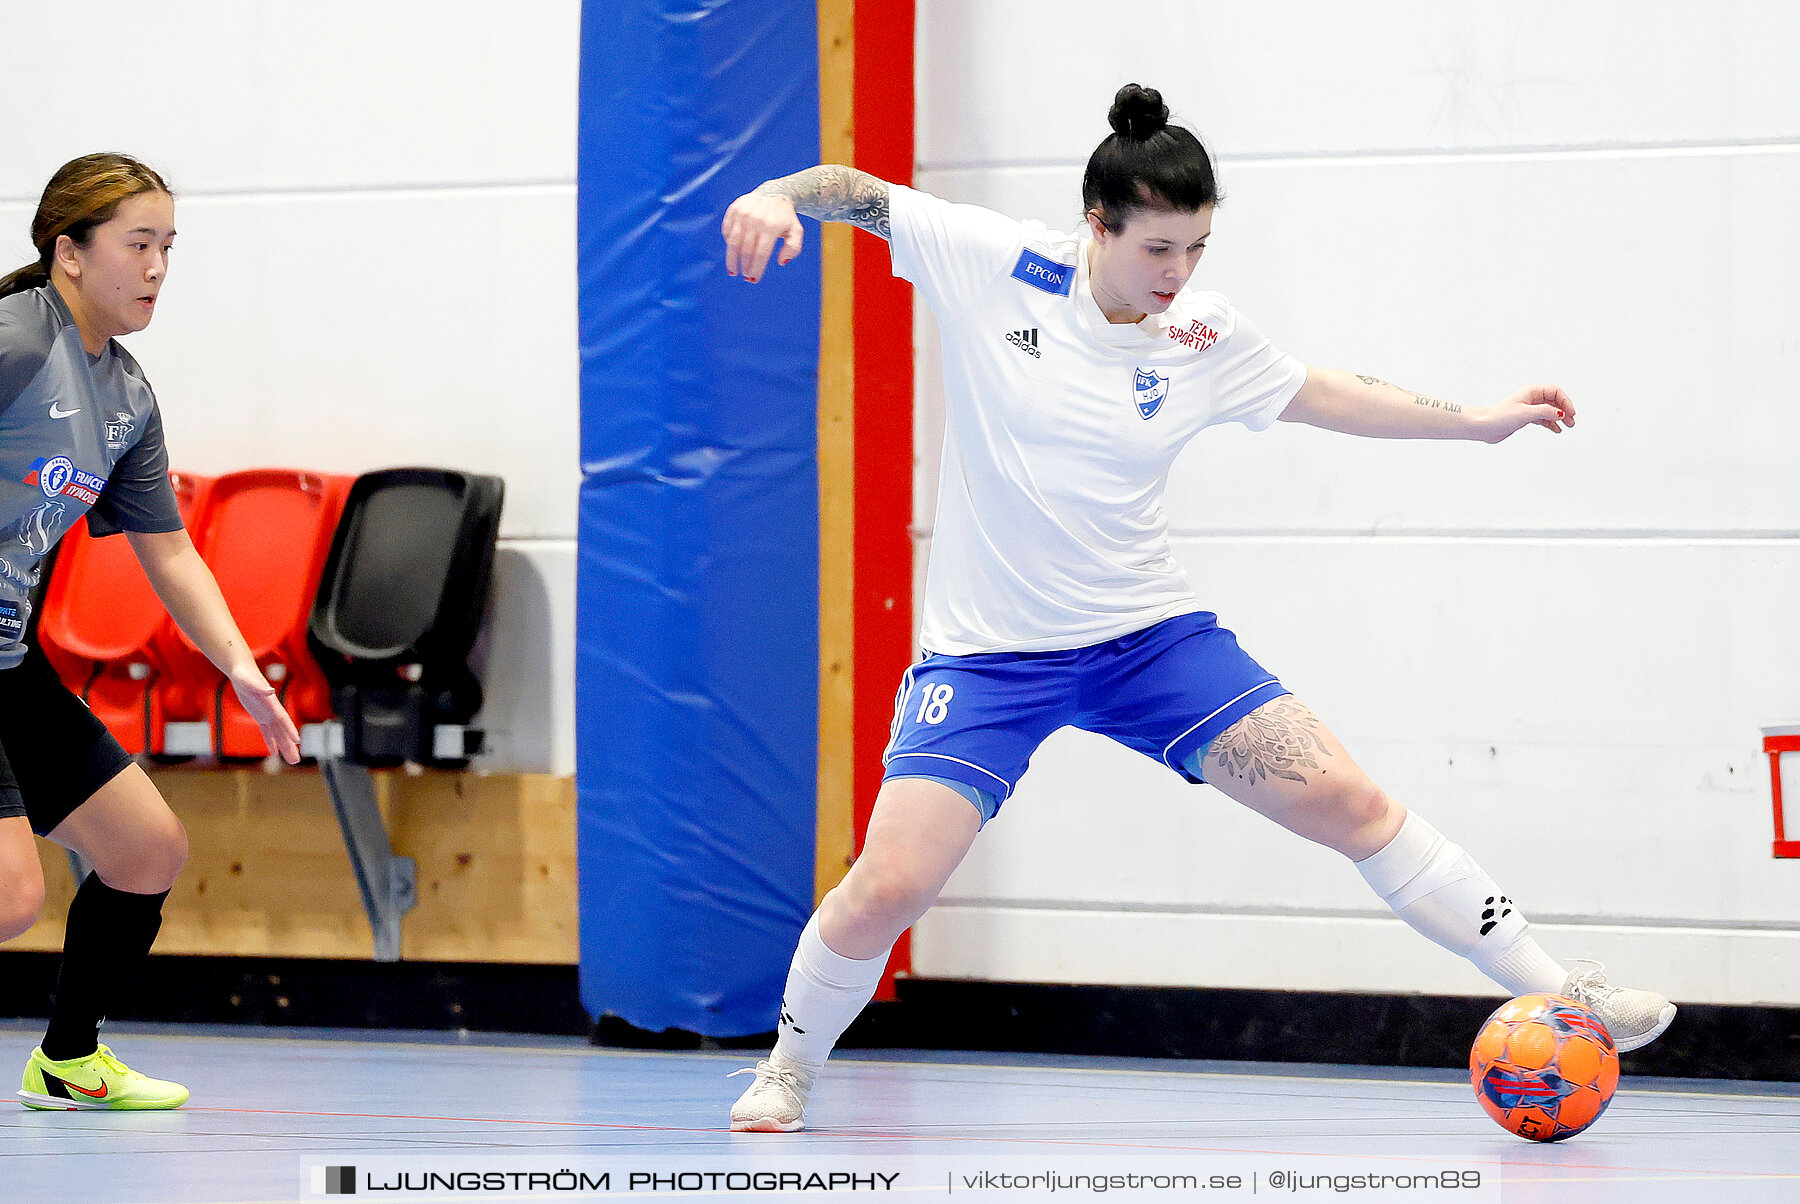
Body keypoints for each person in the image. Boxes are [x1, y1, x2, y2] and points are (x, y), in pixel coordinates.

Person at [717, 85, 1674, 1133]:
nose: (1178, 276)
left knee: (1351, 802)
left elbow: (1321, 389)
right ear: (1098, 228)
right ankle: (789, 1064)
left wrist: (1474, 420)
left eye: (1198, 248)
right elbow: (855, 191)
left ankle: (1560, 988)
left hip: (1148, 642)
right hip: (991, 657)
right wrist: (775, 192)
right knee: (889, 886)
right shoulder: (996, 263)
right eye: (1159, 249)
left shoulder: (1204, 334)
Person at [0, 153, 301, 1110]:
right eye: (137, 244)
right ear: (69, 253)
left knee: (144, 852)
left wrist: (242, 670)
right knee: (12, 897)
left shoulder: (125, 392)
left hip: (10, 662)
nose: (157, 267)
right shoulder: (12, 342)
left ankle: (67, 1059)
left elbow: (169, 554)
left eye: (167, 246)